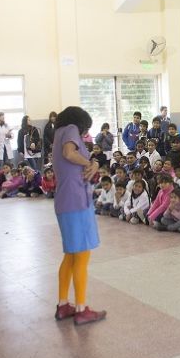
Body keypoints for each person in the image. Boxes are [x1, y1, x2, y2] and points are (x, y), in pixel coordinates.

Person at [52, 106, 106, 325]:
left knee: (70, 255)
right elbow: (69, 153)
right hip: (76, 201)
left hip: (65, 200)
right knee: (82, 256)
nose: (84, 133)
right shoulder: (71, 129)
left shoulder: (58, 133)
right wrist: (91, 163)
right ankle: (82, 309)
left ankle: (64, 305)